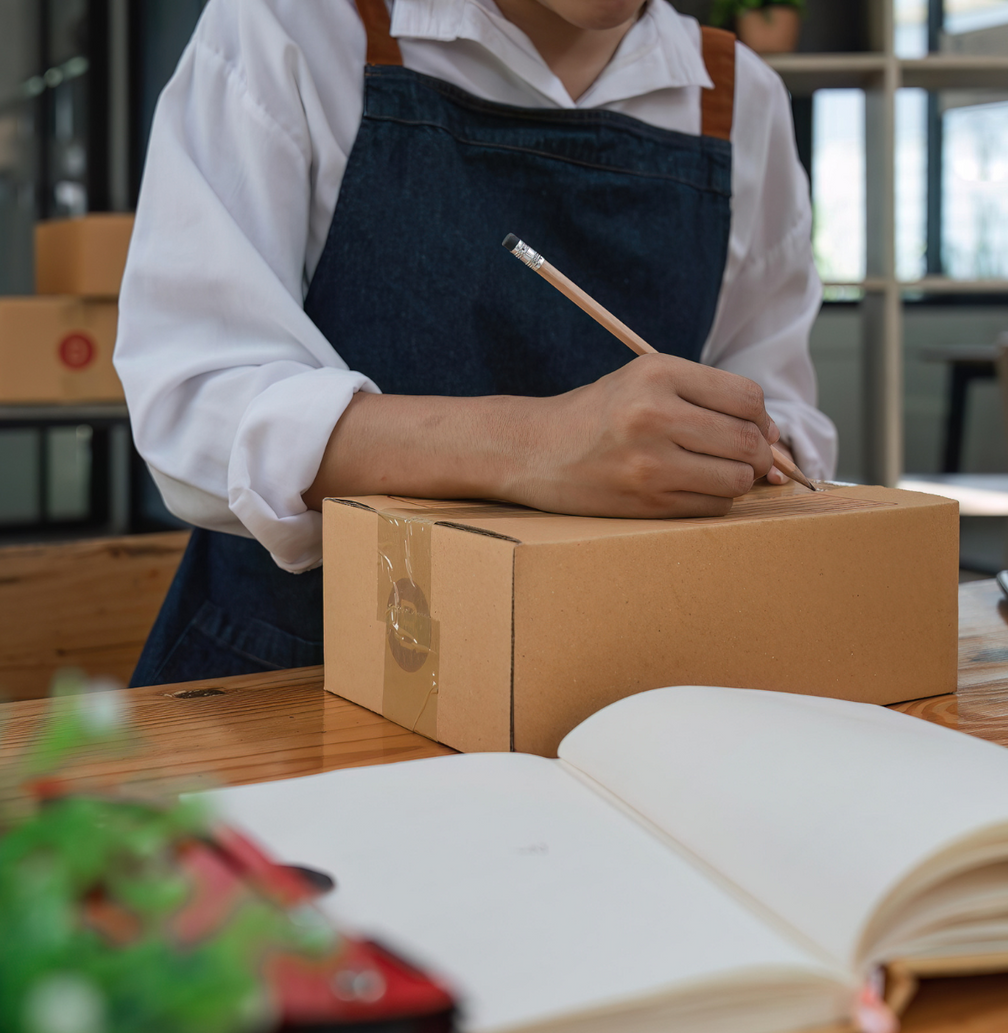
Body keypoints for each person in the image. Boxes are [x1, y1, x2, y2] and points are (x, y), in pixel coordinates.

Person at [117, 0, 837, 685]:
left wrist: (747, 450)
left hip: (613, 677)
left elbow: (779, 410)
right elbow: (193, 404)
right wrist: (534, 444)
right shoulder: (299, 23)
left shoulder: (743, 99)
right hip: (297, 669)